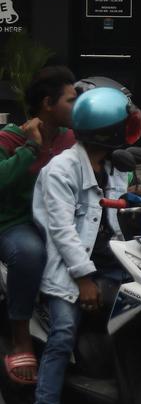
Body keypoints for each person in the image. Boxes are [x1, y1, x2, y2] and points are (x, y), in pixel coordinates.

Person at [28, 86, 141, 404]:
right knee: (63, 334)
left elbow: (122, 216)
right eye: (121, 125)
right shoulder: (60, 169)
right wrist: (83, 278)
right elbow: (61, 231)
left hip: (115, 263)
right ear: (106, 131)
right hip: (69, 271)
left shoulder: (115, 166)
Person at [0, 66, 77, 386]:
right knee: (29, 253)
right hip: (18, 224)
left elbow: (100, 167)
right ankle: (21, 337)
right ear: (48, 103)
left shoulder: (71, 139)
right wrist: (31, 148)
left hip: (65, 222)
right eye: (71, 100)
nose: (78, 107)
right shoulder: (10, 138)